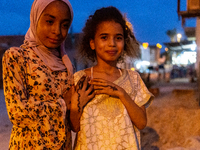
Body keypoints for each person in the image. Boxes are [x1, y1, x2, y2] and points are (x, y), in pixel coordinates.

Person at [70, 6, 154, 150]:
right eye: (104, 37)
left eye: (118, 38)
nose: (112, 44)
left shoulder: (133, 79)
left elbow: (141, 123)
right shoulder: (80, 79)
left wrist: (121, 93)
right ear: (92, 43)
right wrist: (77, 104)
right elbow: (74, 127)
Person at [2, 0, 75, 149]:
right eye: (49, 21)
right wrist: (63, 104)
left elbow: (71, 121)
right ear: (35, 19)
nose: (57, 30)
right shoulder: (17, 57)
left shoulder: (65, 64)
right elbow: (17, 112)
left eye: (65, 25)